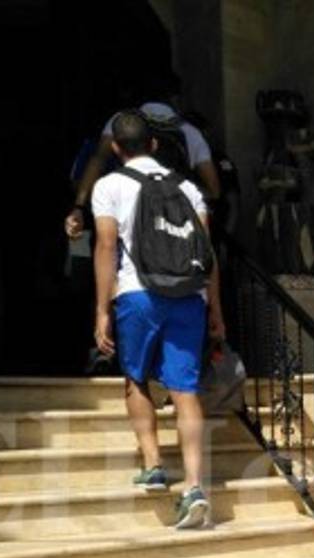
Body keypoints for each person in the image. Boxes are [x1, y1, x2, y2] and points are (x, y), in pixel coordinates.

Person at [90, 109, 225, 528]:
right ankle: (194, 486)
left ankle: (153, 465)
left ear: (116, 147)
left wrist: (102, 309)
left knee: (136, 377)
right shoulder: (188, 188)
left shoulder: (108, 186)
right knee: (185, 390)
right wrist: (215, 309)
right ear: (153, 144)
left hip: (138, 294)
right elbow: (208, 254)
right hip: (188, 296)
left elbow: (106, 247)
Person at [64, 72, 221, 241]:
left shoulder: (122, 121)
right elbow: (214, 191)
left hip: (127, 220)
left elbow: (98, 159)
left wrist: (79, 206)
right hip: (173, 229)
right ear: (175, 98)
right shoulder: (190, 132)